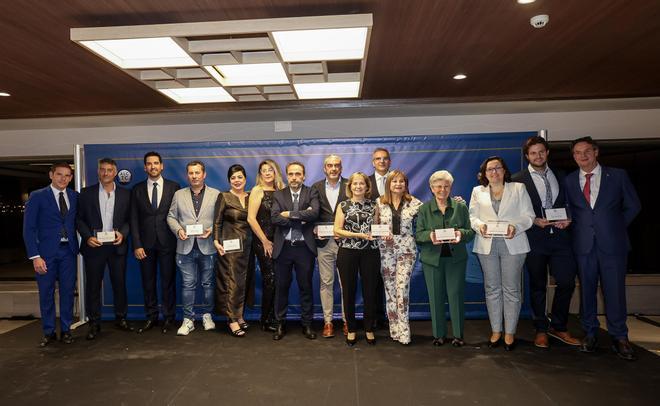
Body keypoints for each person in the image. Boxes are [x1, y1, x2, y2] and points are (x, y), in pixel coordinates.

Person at [563, 136, 641, 360]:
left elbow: (633, 205)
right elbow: (570, 209)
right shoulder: (569, 180)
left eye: (587, 151)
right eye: (577, 153)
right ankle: (590, 332)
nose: (582, 156)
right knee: (586, 290)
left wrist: (614, 227)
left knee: (614, 291)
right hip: (583, 245)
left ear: (596, 152)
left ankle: (620, 336)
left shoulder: (617, 176)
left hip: (613, 244)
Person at [511, 136, 580, 348]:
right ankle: (541, 329)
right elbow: (513, 212)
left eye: (541, 152)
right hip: (535, 239)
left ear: (547, 153)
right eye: (533, 153)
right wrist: (533, 221)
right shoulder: (517, 180)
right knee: (538, 286)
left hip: (561, 238)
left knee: (567, 282)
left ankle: (558, 326)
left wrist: (569, 218)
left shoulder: (563, 176)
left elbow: (572, 204)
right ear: (527, 156)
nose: (538, 156)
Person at [469, 156, 535, 351]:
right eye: (490, 169)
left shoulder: (518, 189)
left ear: (505, 171)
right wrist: (479, 226)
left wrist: (516, 226)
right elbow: (472, 216)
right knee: (492, 289)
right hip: (487, 244)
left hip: (513, 244)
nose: (494, 172)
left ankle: (510, 332)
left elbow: (529, 216)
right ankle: (496, 330)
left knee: (511, 289)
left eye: (498, 168)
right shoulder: (477, 192)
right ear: (484, 173)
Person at [416, 170, 475, 347]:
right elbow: (419, 234)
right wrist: (431, 236)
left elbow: (470, 232)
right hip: (432, 260)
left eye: (446, 186)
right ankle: (439, 335)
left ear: (451, 187)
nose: (442, 190)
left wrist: (459, 233)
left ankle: (458, 335)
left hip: (455, 259)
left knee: (456, 296)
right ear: (432, 188)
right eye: (438, 186)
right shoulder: (424, 209)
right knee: (435, 297)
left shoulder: (460, 207)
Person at [23, 163, 79, 347]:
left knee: (68, 293)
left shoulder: (74, 196)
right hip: (45, 254)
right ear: (51, 175)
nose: (63, 178)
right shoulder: (37, 196)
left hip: (68, 252)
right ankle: (48, 331)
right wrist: (35, 256)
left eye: (67, 175)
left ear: (71, 178)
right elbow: (29, 229)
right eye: (59, 174)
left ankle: (66, 330)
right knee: (46, 293)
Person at [76, 158, 133, 340]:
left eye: (109, 170)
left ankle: (121, 318)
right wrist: (87, 237)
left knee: (119, 284)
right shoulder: (86, 193)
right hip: (94, 246)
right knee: (93, 286)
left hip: (117, 246)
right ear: (98, 172)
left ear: (115, 173)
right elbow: (79, 219)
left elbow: (129, 220)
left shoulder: (126, 194)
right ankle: (94, 323)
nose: (106, 173)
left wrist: (123, 234)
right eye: (102, 170)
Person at [167, 160, 219, 336]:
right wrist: (179, 230)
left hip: (208, 247)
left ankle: (207, 315)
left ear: (204, 174)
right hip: (185, 247)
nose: (194, 176)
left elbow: (220, 218)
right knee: (188, 284)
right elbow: (171, 217)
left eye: (198, 173)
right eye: (191, 173)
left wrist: (212, 230)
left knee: (208, 284)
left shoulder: (216, 194)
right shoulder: (178, 194)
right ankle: (188, 319)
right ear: (187, 175)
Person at [130, 151, 181, 334]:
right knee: (148, 282)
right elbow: (133, 219)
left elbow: (178, 215)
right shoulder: (137, 189)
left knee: (168, 281)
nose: (153, 166)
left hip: (168, 242)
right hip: (145, 245)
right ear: (145, 167)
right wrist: (136, 244)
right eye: (149, 164)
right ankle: (151, 317)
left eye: (156, 163)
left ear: (162, 166)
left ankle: (169, 318)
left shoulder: (174, 187)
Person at [270, 161, 320, 340]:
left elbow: (314, 213)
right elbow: (275, 217)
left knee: (305, 287)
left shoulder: (311, 192)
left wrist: (289, 214)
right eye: (291, 174)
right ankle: (280, 324)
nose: (294, 177)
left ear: (304, 176)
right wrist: (300, 217)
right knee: (281, 287)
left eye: (298, 174)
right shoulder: (279, 194)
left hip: (304, 249)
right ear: (286, 176)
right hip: (283, 248)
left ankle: (307, 324)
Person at [376, 170, 422, 345]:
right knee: (390, 290)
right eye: (394, 181)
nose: (398, 184)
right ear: (388, 184)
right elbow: (373, 226)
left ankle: (404, 330)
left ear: (406, 184)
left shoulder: (415, 203)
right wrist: (380, 233)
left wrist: (454, 202)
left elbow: (430, 217)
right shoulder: (379, 203)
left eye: (401, 181)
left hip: (406, 251)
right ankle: (393, 329)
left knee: (402, 289)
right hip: (385, 251)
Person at [334, 172, 380, 346]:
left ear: (367, 187)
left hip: (371, 252)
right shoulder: (343, 205)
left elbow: (376, 227)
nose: (358, 186)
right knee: (348, 291)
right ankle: (352, 329)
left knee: (370, 291)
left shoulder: (373, 205)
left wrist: (381, 232)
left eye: (362, 184)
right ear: (350, 186)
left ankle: (369, 328)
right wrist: (357, 234)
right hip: (347, 251)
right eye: (355, 184)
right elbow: (337, 230)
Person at [214, 164, 255, 337]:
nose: (236, 180)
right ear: (229, 180)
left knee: (244, 281)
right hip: (229, 247)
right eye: (233, 178)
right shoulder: (223, 196)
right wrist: (216, 241)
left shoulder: (252, 196)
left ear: (245, 179)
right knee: (231, 283)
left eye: (239, 177)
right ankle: (231, 320)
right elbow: (217, 221)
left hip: (248, 246)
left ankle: (239, 315)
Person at [311, 154, 348, 338]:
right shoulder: (315, 188)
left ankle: (347, 320)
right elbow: (310, 213)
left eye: (336, 165)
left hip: (346, 243)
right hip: (323, 244)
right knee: (326, 282)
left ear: (341, 168)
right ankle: (328, 322)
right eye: (330, 166)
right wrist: (314, 228)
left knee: (345, 283)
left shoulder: (351, 185)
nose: (333, 168)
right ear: (324, 168)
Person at [247, 159, 285, 333]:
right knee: (269, 279)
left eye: (271, 169)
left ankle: (276, 317)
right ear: (260, 174)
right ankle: (265, 319)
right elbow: (251, 218)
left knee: (279, 279)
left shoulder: (281, 191)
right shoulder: (257, 190)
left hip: (280, 240)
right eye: (264, 170)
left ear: (276, 171)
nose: (268, 173)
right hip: (263, 241)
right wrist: (264, 241)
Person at [368, 147, 391, 329]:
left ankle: (393, 316)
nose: (381, 161)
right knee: (374, 279)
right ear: (373, 162)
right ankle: (376, 316)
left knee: (392, 279)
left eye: (384, 159)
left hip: (395, 238)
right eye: (378, 159)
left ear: (389, 161)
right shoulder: (365, 182)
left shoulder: (397, 180)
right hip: (372, 238)